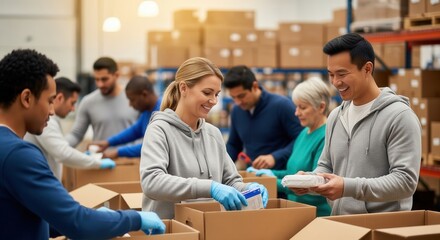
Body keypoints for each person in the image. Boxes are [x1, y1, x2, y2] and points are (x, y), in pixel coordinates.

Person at [0, 49, 165, 238]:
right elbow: (78, 223)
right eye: (50, 101)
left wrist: (97, 219)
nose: (52, 111)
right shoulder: (19, 155)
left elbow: (29, 218)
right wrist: (134, 218)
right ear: (27, 98)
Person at [289, 33, 421, 215]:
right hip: (341, 223)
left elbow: (405, 182)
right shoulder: (336, 116)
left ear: (367, 69)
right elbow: (326, 166)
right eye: (331, 75)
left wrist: (347, 186)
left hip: (383, 227)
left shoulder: (399, 117)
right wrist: (311, 181)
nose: (335, 82)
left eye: (342, 74)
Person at [140, 57, 268, 219]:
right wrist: (210, 187)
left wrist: (248, 188)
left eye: (217, 94)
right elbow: (151, 182)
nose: (214, 101)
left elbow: (230, 181)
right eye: (207, 93)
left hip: (208, 227)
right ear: (184, 88)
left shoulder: (213, 134)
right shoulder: (159, 130)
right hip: (171, 230)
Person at [248, 77, 332, 216]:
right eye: (296, 106)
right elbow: (293, 171)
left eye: (303, 107)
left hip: (316, 214)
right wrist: (270, 173)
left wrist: (271, 182)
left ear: (321, 107)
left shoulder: (325, 137)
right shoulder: (304, 133)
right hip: (297, 210)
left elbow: (313, 183)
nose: (296, 113)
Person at [24, 77, 116, 181]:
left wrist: (82, 157)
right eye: (72, 103)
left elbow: (60, 148)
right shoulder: (46, 122)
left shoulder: (52, 121)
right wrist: (96, 162)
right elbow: (63, 153)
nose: (73, 109)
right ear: (59, 98)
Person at [223, 66, 303, 171]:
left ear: (255, 86)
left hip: (281, 176)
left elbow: (302, 140)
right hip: (254, 175)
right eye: (233, 97)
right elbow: (234, 144)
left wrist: (275, 157)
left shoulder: (281, 106)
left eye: (241, 96)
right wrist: (222, 166)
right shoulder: (237, 111)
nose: (237, 102)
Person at [66, 57, 139, 147]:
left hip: (130, 159)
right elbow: (76, 135)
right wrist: (59, 149)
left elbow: (145, 132)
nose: (100, 84)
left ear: (116, 75)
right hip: (101, 159)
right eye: (97, 79)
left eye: (104, 79)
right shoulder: (88, 102)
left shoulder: (134, 99)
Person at [90, 75, 161, 158]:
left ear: (144, 94)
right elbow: (135, 131)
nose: (130, 105)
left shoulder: (162, 111)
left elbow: (153, 146)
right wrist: (108, 142)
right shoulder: (147, 111)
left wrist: (118, 152)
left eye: (132, 100)